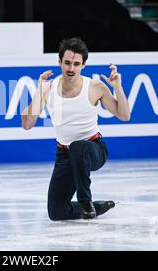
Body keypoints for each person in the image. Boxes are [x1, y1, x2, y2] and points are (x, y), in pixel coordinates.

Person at [21, 37, 130, 220]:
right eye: (67, 63)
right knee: (56, 212)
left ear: (83, 65)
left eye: (76, 64)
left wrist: (117, 87)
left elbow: (124, 115)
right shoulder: (49, 88)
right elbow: (27, 124)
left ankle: (85, 202)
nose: (71, 69)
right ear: (59, 62)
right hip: (65, 154)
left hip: (94, 149)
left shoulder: (95, 87)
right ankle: (96, 207)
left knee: (79, 146)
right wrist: (39, 93)